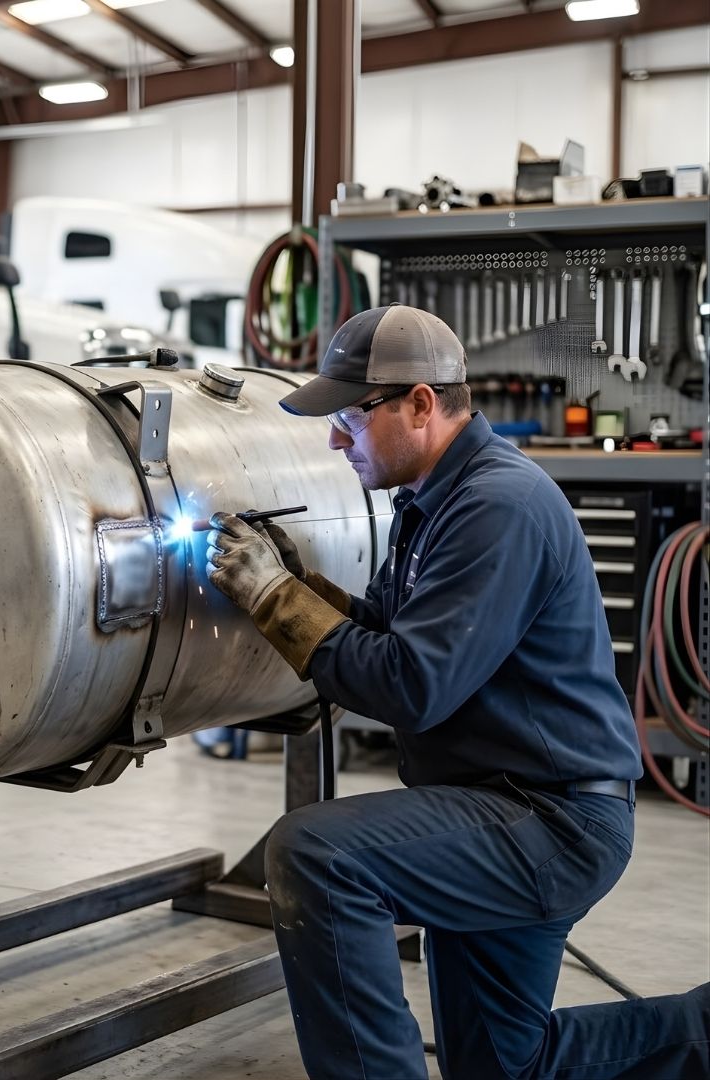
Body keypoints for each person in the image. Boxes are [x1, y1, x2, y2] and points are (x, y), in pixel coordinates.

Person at [204, 303, 709, 1080]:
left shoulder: (497, 504)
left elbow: (413, 683)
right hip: (496, 802)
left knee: (317, 853)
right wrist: (295, 582)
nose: (336, 436)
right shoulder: (432, 500)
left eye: (351, 415)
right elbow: (384, 630)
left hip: (548, 817)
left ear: (420, 403)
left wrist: (277, 599)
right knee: (506, 1069)